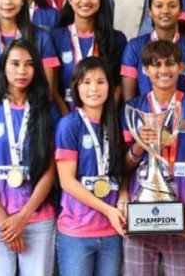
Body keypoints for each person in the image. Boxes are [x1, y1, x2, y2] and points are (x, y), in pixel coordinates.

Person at [122, 40, 185, 276]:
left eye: (170, 63)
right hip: (140, 221)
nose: (163, 70)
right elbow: (122, 167)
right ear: (145, 70)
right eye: (156, 65)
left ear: (181, 67)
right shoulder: (132, 109)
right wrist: (139, 144)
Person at [0, 39, 59, 276]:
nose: (22, 71)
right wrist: (4, 221)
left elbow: (52, 169)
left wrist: (23, 217)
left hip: (39, 217)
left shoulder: (47, 111)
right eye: (15, 63)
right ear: (3, 67)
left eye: (29, 64)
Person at [55, 57, 128, 276]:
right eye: (86, 82)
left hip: (111, 232)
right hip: (77, 232)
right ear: (76, 87)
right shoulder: (69, 125)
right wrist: (108, 209)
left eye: (100, 82)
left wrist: (123, 197)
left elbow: (121, 171)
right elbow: (67, 181)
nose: (94, 88)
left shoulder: (117, 123)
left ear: (111, 87)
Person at [52, 0, 127, 112]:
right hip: (66, 118)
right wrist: (68, 119)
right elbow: (53, 89)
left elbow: (118, 85)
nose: (85, 1)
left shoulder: (116, 39)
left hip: (103, 117)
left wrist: (105, 118)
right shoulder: (56, 37)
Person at [121, 0, 185, 101]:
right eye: (159, 6)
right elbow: (129, 100)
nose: (165, 11)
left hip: (184, 116)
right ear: (149, 11)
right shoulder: (135, 47)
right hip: (145, 116)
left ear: (181, 12)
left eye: (172, 6)